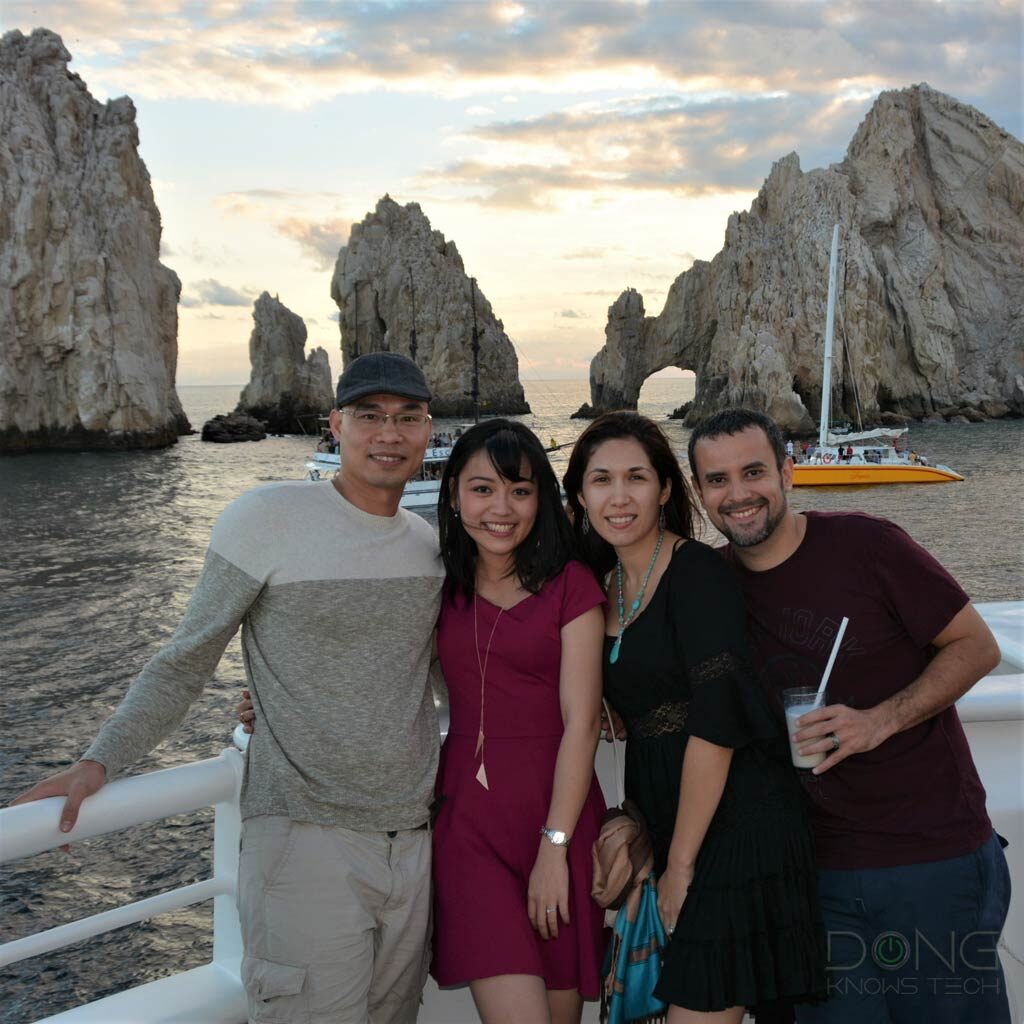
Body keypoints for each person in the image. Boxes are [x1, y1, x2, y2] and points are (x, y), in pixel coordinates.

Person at [13, 352, 446, 1024]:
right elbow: (188, 656)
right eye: (370, 416)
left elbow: (442, 672)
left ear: (427, 430)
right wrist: (99, 760)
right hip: (305, 840)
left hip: (414, 841)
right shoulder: (264, 518)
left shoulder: (427, 544)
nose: (389, 433)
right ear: (336, 425)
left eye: (407, 418)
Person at [686, 407, 1011, 1024]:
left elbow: (977, 646)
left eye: (754, 471)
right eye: (718, 479)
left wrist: (880, 720)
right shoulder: (712, 588)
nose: (738, 494)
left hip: (928, 858)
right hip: (809, 877)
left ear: (787, 473)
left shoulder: (868, 545)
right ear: (699, 491)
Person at [563, 411, 827, 1024]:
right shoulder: (600, 586)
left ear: (664, 488)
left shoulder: (698, 574)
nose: (619, 496)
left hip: (735, 826)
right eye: (601, 480)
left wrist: (679, 864)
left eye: (637, 477)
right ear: (580, 495)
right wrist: (612, 704)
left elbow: (715, 719)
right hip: (671, 820)